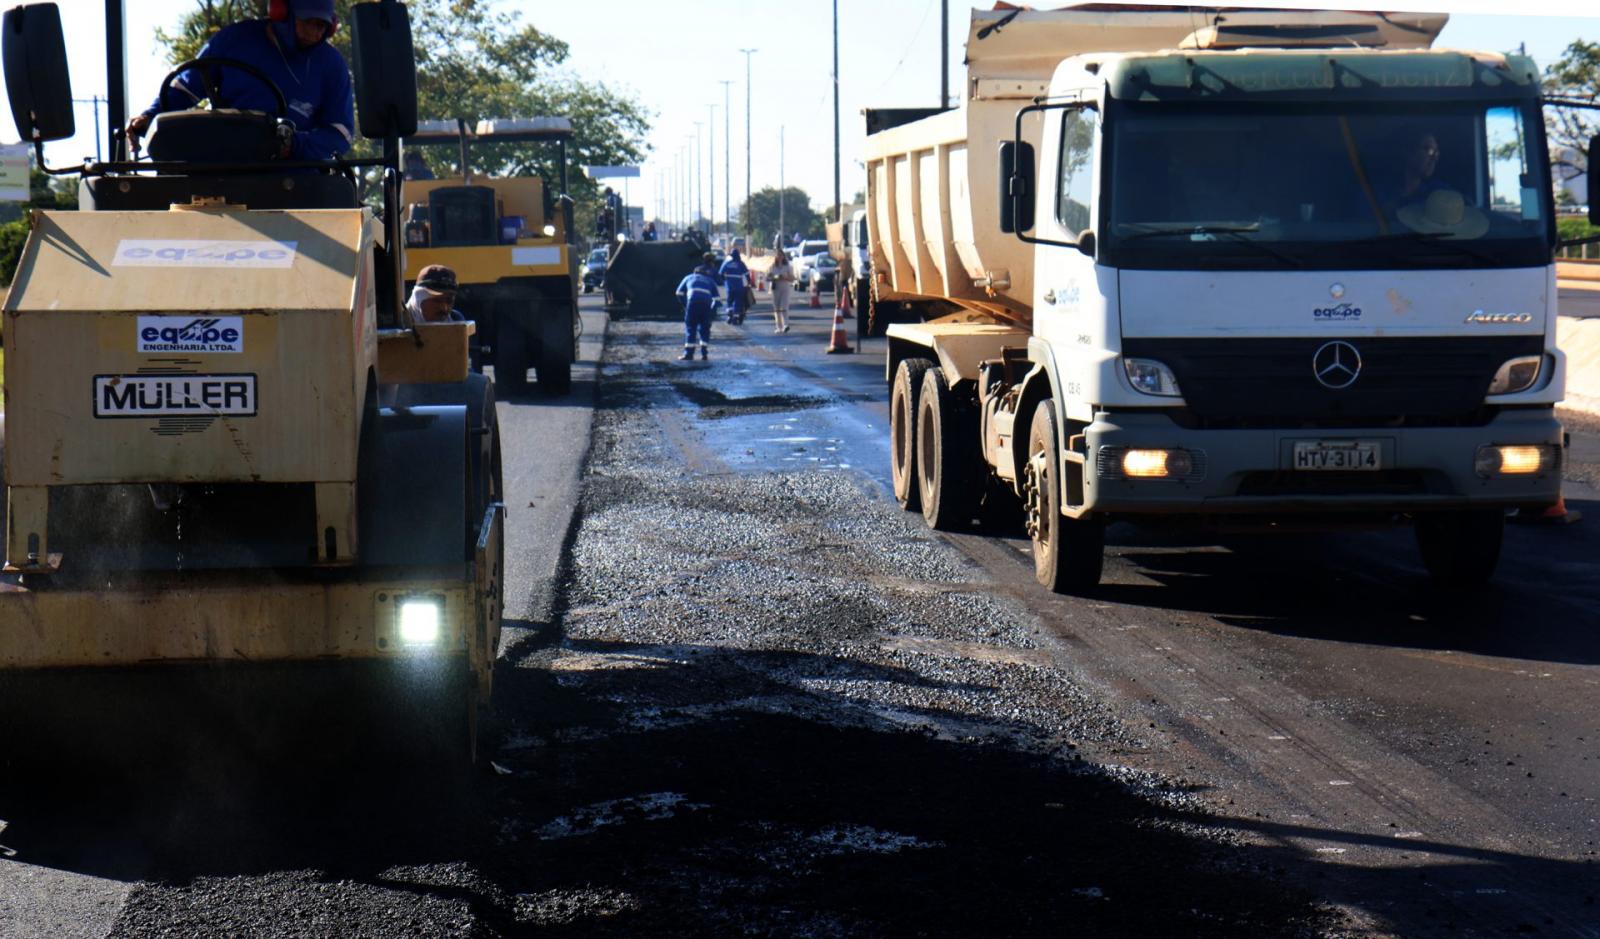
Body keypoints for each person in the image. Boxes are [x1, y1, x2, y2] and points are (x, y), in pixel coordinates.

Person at [127, 0, 354, 161]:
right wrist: (150, 115)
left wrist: (294, 146)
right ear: (281, 11)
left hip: (294, 178)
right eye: (307, 22)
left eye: (321, 26)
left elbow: (339, 133)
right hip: (224, 166)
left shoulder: (331, 65)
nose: (314, 33)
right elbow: (186, 88)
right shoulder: (234, 40)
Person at [675, 253, 721, 361]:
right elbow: (717, 300)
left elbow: (678, 293)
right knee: (705, 328)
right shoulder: (710, 281)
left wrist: (685, 305)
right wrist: (712, 312)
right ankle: (704, 353)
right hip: (706, 305)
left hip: (692, 303)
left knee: (691, 328)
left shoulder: (689, 277)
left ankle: (688, 354)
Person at [718, 248, 751, 325]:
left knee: (730, 300)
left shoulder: (727, 263)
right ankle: (736, 316)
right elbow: (747, 274)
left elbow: (720, 273)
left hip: (729, 285)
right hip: (739, 286)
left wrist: (724, 280)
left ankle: (730, 315)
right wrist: (749, 283)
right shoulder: (741, 263)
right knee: (738, 301)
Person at [766, 250, 794, 333]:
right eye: (778, 255)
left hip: (785, 288)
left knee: (784, 306)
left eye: (781, 255)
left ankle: (786, 324)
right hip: (775, 288)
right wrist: (775, 277)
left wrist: (785, 277)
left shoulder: (787, 266)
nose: (780, 257)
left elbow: (792, 278)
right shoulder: (772, 266)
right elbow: (768, 277)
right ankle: (778, 326)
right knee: (777, 308)